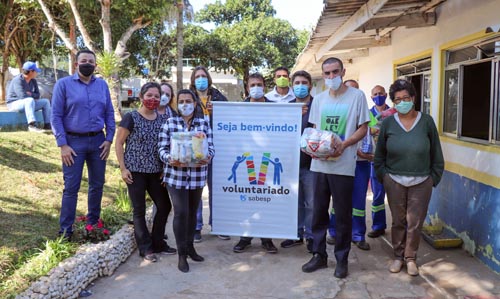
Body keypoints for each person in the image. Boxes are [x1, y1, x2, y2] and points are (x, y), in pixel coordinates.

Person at [301, 57, 369, 279]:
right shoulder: (319, 100)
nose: (331, 77)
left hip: (343, 166)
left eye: (335, 72)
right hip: (319, 165)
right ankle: (319, 255)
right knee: (318, 214)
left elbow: (363, 128)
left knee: (342, 216)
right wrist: (309, 147)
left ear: (343, 71)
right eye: (327, 73)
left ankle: (342, 259)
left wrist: (344, 144)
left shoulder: (356, 96)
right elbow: (313, 130)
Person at [374, 79, 444, 276]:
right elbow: (379, 155)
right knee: (398, 221)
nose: (402, 102)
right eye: (397, 100)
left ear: (413, 98)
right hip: (394, 180)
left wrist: (433, 178)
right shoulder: (387, 123)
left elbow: (436, 153)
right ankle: (398, 256)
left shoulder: (427, 121)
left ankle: (410, 257)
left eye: (406, 98)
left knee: (415, 222)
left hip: (422, 181)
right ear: (393, 103)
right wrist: (384, 177)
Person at [50, 49, 115, 239]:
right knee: (71, 187)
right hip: (72, 143)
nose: (87, 63)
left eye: (91, 61)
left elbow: (110, 113)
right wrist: (62, 144)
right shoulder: (63, 85)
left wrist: (109, 139)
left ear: (95, 65)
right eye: (83, 61)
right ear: (76, 64)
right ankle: (66, 231)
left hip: (98, 142)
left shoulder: (102, 85)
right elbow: (55, 116)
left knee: (97, 184)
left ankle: (92, 225)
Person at [115, 82, 176, 262]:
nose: (153, 99)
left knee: (165, 206)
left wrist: (165, 169)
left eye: (157, 96)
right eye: (149, 95)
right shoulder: (131, 117)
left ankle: (158, 242)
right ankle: (146, 248)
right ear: (141, 97)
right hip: (135, 172)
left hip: (156, 172)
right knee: (139, 209)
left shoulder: (162, 120)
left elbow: (166, 145)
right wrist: (123, 168)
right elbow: (119, 143)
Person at [158, 89, 214, 273]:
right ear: (177, 104)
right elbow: (162, 148)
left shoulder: (203, 123)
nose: (185, 104)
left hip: (197, 176)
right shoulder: (169, 123)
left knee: (191, 213)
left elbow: (211, 147)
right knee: (181, 212)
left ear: (195, 103)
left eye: (188, 101)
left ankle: (190, 247)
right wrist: (169, 158)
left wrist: (208, 157)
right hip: (176, 176)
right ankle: (182, 254)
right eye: (181, 101)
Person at [232, 72, 278, 254]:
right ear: (247, 88)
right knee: (248, 198)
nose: (256, 88)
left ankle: (267, 239)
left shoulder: (276, 108)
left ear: (264, 87)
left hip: (267, 157)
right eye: (253, 85)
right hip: (248, 158)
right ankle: (246, 237)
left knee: (266, 198)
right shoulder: (238, 109)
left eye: (259, 84)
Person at [326, 79, 372, 251]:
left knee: (359, 201)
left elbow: (369, 135)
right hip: (339, 162)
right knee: (338, 200)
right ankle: (334, 231)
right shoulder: (336, 111)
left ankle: (358, 235)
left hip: (360, 164)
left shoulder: (365, 112)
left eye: (355, 90)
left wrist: (366, 154)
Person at [189, 66, 229, 242]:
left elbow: (230, 118)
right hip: (195, 148)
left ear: (209, 78)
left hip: (217, 148)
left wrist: (217, 113)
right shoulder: (188, 97)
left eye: (203, 76)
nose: (200, 79)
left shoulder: (219, 97)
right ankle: (197, 227)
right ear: (193, 80)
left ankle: (218, 224)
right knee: (197, 189)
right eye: (197, 76)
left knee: (216, 188)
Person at [279, 70, 315, 252]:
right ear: (292, 87)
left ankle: (311, 236)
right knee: (295, 202)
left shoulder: (318, 106)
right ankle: (296, 234)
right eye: (297, 83)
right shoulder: (287, 107)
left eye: (304, 82)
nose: (300, 86)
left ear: (310, 85)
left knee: (311, 203)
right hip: (290, 165)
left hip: (311, 165)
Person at [367, 85, 390, 239]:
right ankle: (378, 226)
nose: (378, 96)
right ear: (371, 97)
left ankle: (402, 228)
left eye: (381, 93)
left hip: (395, 161)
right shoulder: (367, 115)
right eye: (375, 94)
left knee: (398, 197)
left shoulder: (394, 114)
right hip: (375, 161)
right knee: (378, 196)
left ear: (386, 95)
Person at [6, 61, 51, 132]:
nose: (37, 73)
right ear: (31, 72)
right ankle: (32, 125)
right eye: (36, 71)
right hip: (13, 104)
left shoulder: (33, 81)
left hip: (29, 103)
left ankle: (47, 125)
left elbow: (38, 95)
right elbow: (22, 96)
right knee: (29, 100)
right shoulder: (17, 80)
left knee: (45, 101)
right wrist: (32, 96)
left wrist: (31, 94)